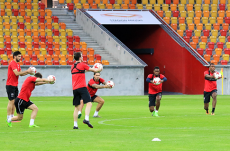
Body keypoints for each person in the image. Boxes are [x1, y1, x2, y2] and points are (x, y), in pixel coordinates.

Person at [71, 52, 102, 129]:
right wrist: (99, 69)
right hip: (82, 87)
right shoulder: (82, 64)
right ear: (80, 58)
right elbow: (92, 69)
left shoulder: (72, 66)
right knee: (89, 103)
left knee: (76, 107)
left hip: (74, 89)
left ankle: (75, 125)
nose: (82, 57)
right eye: (82, 56)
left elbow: (81, 71)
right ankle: (86, 119)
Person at [6, 51, 33, 123]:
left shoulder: (18, 64)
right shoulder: (12, 63)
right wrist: (27, 71)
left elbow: (21, 74)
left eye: (20, 56)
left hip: (15, 85)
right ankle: (8, 117)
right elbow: (17, 73)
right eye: (19, 56)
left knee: (14, 101)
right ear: (14, 56)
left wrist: (28, 72)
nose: (20, 58)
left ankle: (12, 117)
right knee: (11, 101)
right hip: (10, 85)